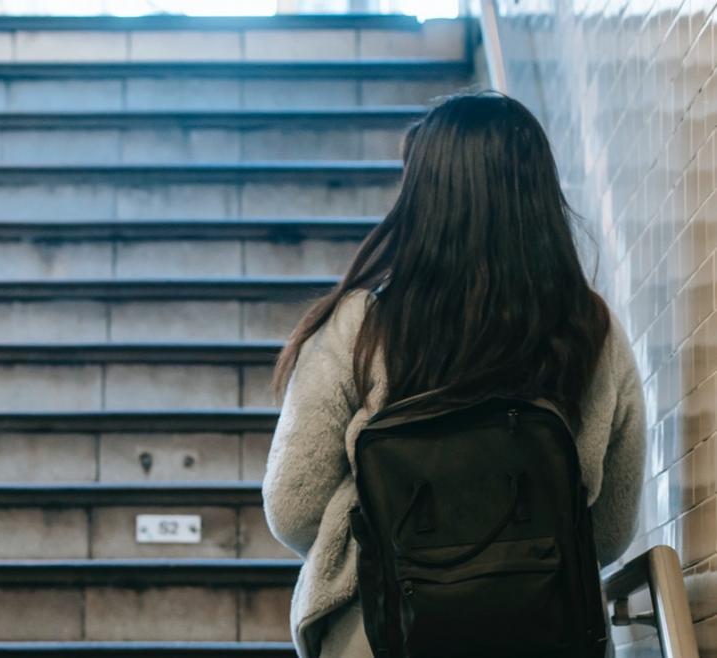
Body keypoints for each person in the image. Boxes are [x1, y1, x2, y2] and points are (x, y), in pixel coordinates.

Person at [262, 92, 645, 658]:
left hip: (381, 636)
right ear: (538, 195)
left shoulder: (358, 329)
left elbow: (293, 507)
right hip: (546, 632)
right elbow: (608, 531)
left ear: (422, 199)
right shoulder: (591, 331)